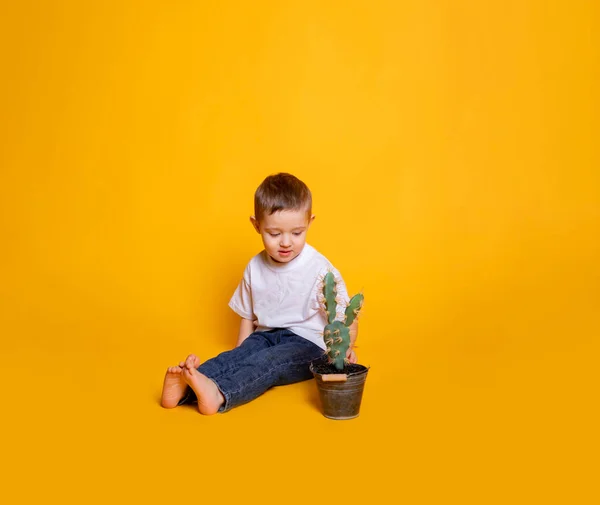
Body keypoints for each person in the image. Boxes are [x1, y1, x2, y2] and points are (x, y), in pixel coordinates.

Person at [160, 173, 358, 414]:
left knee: (268, 363)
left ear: (309, 222)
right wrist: (240, 352)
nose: (286, 242)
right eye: (275, 234)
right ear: (256, 225)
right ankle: (185, 388)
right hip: (265, 335)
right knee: (236, 357)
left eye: (297, 233)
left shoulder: (320, 268)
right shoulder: (255, 267)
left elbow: (345, 314)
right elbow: (247, 315)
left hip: (308, 344)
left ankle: (220, 394)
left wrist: (344, 350)